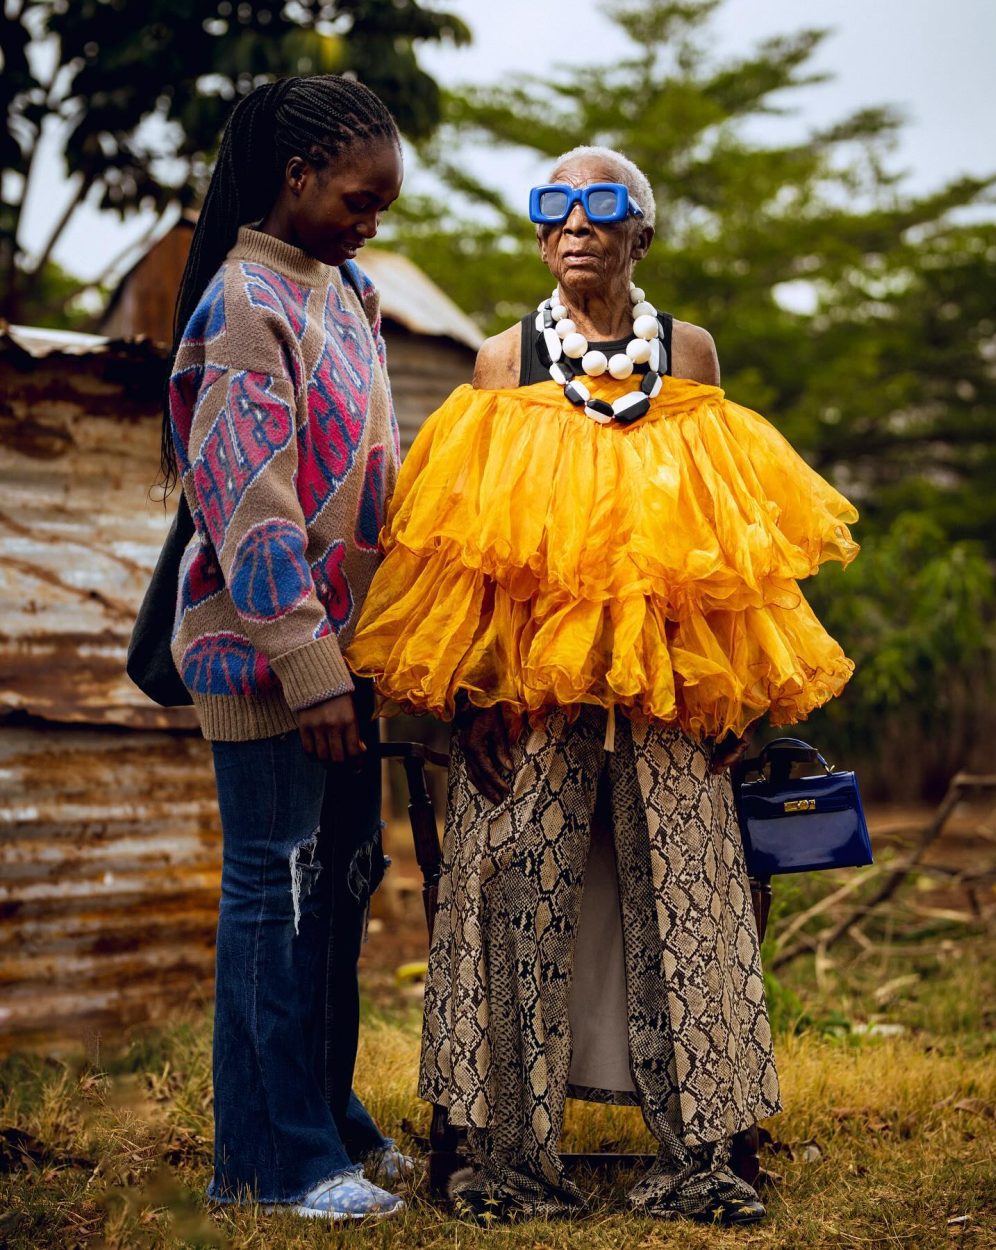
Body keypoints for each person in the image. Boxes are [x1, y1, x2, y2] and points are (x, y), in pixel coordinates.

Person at [348, 144, 860, 1225]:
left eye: (600, 205)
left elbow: (723, 537)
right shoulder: (500, 362)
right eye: (554, 208)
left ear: (641, 232)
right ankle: (506, 1158)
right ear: (538, 236)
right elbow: (476, 548)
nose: (575, 225)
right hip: (532, 687)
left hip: (670, 683)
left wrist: (733, 695)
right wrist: (475, 700)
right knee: (514, 887)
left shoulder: (691, 354)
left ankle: (705, 1154)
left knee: (689, 894)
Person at [161, 75, 411, 1221]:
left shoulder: (345, 288)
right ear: (298, 176)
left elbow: (373, 477)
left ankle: (333, 1118)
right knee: (276, 887)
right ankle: (272, 1163)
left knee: (341, 889)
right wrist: (311, 667)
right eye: (362, 198)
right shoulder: (241, 301)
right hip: (269, 660)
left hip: (347, 662)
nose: (376, 221)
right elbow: (247, 505)